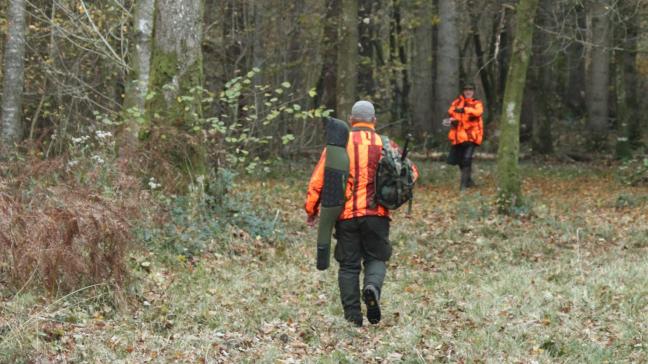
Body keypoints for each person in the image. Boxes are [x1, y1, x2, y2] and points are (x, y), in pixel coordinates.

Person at [305, 100, 418, 327]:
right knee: (376, 257)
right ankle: (372, 288)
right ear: (374, 121)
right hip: (378, 214)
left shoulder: (338, 145)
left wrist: (312, 209)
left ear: (351, 120)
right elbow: (412, 173)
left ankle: (353, 318)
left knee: (348, 266)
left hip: (345, 215)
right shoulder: (386, 144)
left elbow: (319, 181)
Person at [445, 83, 484, 190]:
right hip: (458, 136)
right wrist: (452, 121)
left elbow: (478, 112)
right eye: (466, 89)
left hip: (471, 136)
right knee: (459, 161)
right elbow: (451, 112)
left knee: (467, 160)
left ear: (473, 91)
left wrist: (464, 110)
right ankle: (469, 181)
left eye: (470, 89)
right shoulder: (456, 102)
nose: (468, 91)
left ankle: (463, 187)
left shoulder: (477, 103)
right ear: (463, 91)